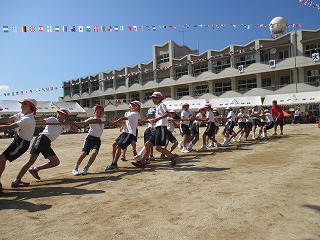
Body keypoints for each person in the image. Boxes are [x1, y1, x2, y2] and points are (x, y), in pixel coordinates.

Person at [12, 108, 78, 187]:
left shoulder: (65, 125)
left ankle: (35, 169)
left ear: (66, 117)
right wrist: (27, 123)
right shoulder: (52, 119)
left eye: (63, 114)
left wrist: (69, 123)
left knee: (55, 162)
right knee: (31, 160)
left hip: (47, 142)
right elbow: (42, 122)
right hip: (41, 139)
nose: (60, 115)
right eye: (59, 113)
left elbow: (75, 130)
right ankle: (16, 180)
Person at [132, 92, 179, 169]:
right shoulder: (157, 106)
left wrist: (157, 119)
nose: (153, 100)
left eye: (155, 98)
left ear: (159, 98)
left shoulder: (162, 105)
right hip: (157, 128)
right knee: (147, 144)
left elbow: (167, 114)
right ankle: (142, 162)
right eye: (152, 98)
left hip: (161, 128)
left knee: (158, 147)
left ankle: (173, 157)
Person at [0, 98, 37, 191]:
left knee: (2, 159)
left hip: (21, 143)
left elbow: (10, 126)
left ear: (29, 106)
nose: (21, 106)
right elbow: (8, 119)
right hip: (18, 140)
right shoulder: (22, 114)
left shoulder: (28, 118)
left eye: (23, 104)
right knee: (1, 159)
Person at [105, 100, 141, 170]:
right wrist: (114, 123)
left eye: (134, 105)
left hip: (130, 133)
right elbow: (124, 122)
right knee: (114, 145)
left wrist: (113, 122)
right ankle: (114, 162)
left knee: (119, 146)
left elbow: (123, 118)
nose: (132, 106)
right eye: (132, 105)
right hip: (125, 132)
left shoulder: (135, 113)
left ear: (138, 107)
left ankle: (114, 164)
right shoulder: (130, 113)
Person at [72, 105, 106, 176]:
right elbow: (86, 122)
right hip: (89, 138)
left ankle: (86, 167)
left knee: (94, 153)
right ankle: (75, 168)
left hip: (97, 139)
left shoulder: (103, 119)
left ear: (103, 113)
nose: (99, 114)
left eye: (101, 112)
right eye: (97, 112)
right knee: (83, 153)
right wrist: (86, 121)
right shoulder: (91, 118)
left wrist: (88, 121)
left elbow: (97, 120)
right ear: (94, 112)